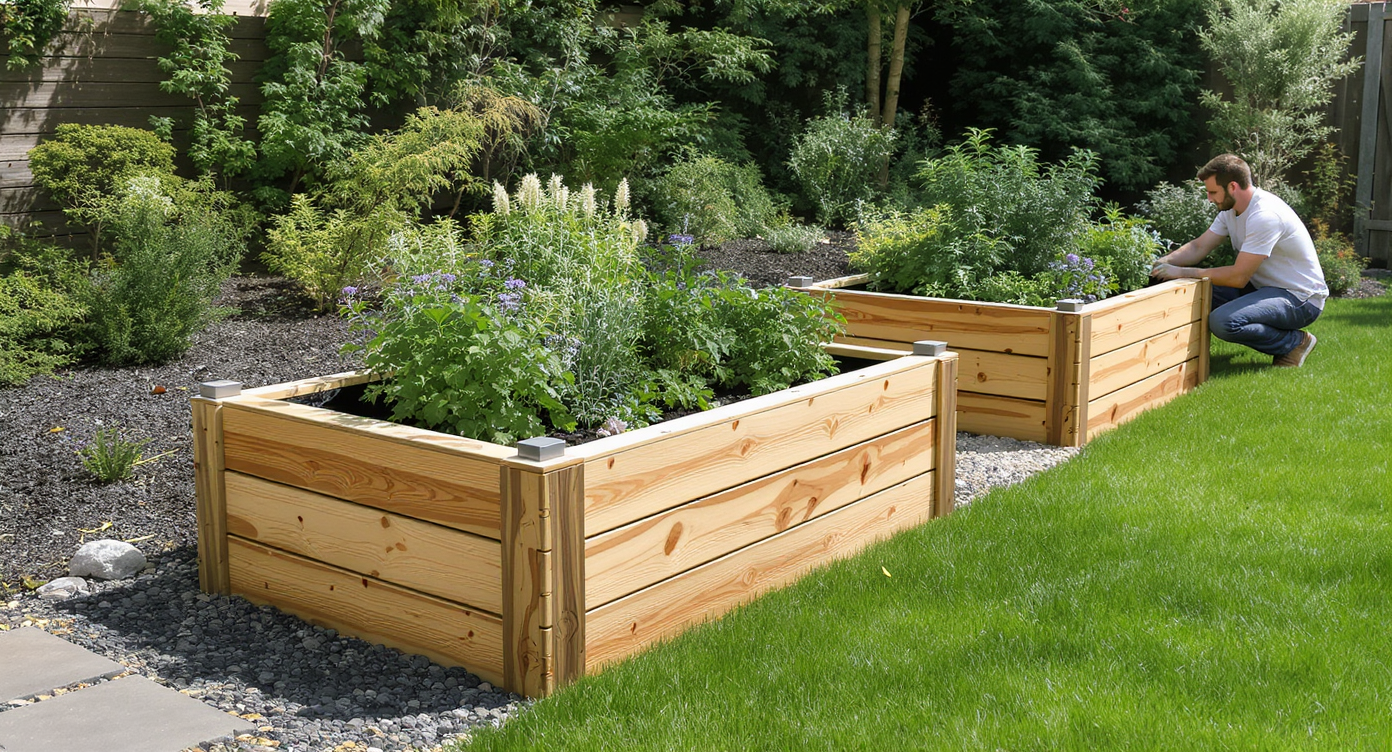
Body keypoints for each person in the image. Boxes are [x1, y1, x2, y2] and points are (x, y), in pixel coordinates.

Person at [1151, 154, 1328, 367]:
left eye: (1213, 192)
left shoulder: (1265, 215)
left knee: (1223, 321)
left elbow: (1238, 277)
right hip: (1264, 288)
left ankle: (1293, 342)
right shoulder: (1231, 211)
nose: (1209, 198)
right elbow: (1199, 246)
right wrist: (1161, 264)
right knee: (1200, 293)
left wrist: (1182, 272)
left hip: (1300, 298)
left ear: (1233, 186)